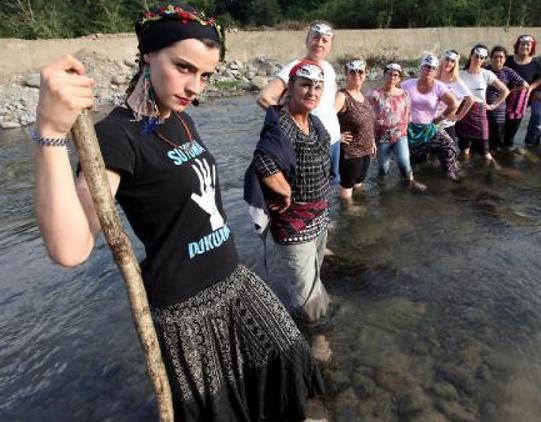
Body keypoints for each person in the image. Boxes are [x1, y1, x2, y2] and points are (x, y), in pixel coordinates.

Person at [32, 4, 323, 421]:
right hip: (188, 311)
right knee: (222, 411)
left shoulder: (180, 117)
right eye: (183, 68)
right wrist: (50, 131)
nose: (195, 88)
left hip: (236, 281)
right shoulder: (117, 137)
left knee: (291, 365)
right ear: (149, 54)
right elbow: (70, 248)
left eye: (205, 76)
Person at [245, 61, 334, 364]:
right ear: (291, 88)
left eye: (317, 86)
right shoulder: (281, 123)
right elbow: (263, 161)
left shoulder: (316, 123)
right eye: (305, 85)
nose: (312, 91)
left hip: (319, 215)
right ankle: (317, 336)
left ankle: (307, 310)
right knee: (305, 287)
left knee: (312, 274)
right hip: (294, 222)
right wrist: (284, 191)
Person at [257, 21, 342, 183]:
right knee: (309, 189)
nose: (319, 43)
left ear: (330, 45)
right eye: (315, 38)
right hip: (310, 144)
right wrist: (290, 124)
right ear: (307, 40)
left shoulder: (329, 68)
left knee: (331, 184)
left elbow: (328, 104)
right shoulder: (295, 67)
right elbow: (264, 98)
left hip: (334, 139)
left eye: (325, 40)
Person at [401, 54, 461, 181]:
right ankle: (412, 179)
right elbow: (394, 100)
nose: (429, 70)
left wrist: (438, 119)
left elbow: (453, 104)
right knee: (414, 162)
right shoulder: (406, 85)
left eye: (433, 68)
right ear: (421, 68)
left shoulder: (438, 86)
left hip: (430, 128)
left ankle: (449, 171)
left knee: (449, 145)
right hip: (410, 129)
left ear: (436, 71)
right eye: (426, 66)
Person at [367, 63, 427, 191]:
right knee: (383, 167)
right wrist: (371, 139)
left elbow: (407, 114)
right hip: (381, 137)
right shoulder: (374, 94)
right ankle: (382, 187)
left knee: (404, 162)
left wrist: (408, 132)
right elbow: (367, 116)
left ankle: (411, 182)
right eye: (389, 73)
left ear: (399, 78)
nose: (392, 77)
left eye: (396, 75)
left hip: (400, 135)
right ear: (384, 75)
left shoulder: (404, 94)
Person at [456, 44, 510, 163]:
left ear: (485, 59)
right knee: (464, 148)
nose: (478, 59)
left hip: (479, 113)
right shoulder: (460, 74)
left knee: (485, 152)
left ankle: (494, 170)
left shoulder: (486, 74)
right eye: (476, 56)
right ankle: (465, 170)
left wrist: (493, 105)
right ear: (471, 55)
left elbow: (505, 91)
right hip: (462, 112)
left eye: (482, 57)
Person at [334, 59, 376, 206]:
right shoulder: (342, 96)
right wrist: (337, 137)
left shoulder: (362, 96)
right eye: (352, 71)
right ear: (346, 73)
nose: (356, 74)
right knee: (347, 185)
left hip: (365, 149)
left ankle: (359, 204)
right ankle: (349, 212)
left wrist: (372, 142)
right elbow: (326, 118)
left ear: (365, 74)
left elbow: (368, 122)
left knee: (358, 182)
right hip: (350, 152)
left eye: (360, 71)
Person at [503, 35, 541, 147]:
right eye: (522, 44)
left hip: (520, 102)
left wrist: (531, 87)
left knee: (512, 129)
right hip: (503, 98)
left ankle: (507, 152)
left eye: (528, 45)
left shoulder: (535, 63)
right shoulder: (508, 59)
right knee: (499, 126)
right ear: (517, 45)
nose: (525, 47)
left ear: (532, 48)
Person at [484, 45, 528, 152]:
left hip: (498, 108)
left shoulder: (508, 71)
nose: (498, 59)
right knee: (483, 136)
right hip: (483, 108)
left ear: (505, 59)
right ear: (491, 57)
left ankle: (498, 159)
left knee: (498, 137)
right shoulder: (485, 70)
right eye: (495, 57)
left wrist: (510, 92)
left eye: (501, 57)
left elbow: (525, 85)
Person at [436, 50, 474, 143]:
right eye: (447, 59)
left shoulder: (456, 82)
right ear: (442, 60)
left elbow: (470, 99)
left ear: (455, 64)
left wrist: (459, 116)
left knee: (450, 154)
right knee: (429, 154)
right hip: (432, 123)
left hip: (446, 125)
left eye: (452, 61)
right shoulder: (435, 78)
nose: (449, 63)